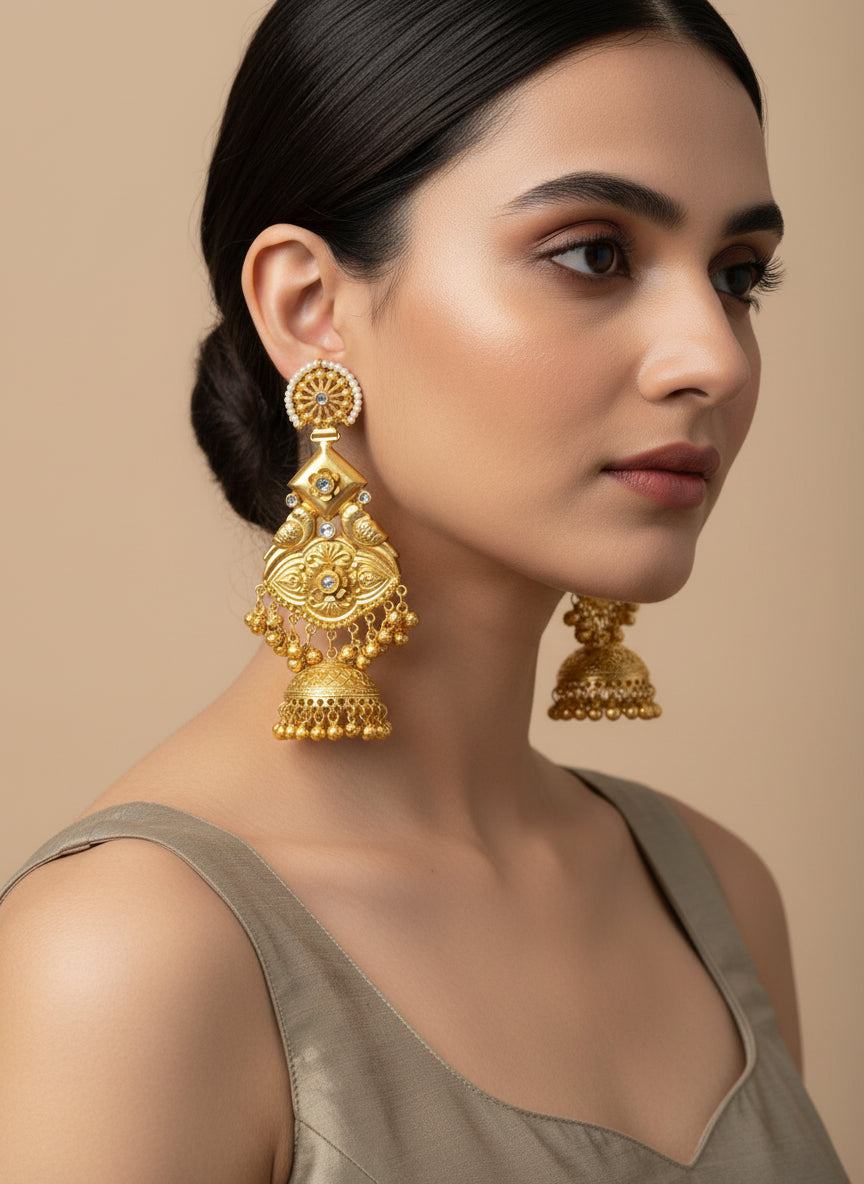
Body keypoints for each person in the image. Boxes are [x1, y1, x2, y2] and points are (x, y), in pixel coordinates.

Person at [0, 0, 851, 1180]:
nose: (710, 353)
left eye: (739, 274)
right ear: (310, 307)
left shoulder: (716, 898)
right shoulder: (133, 959)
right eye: (594, 253)